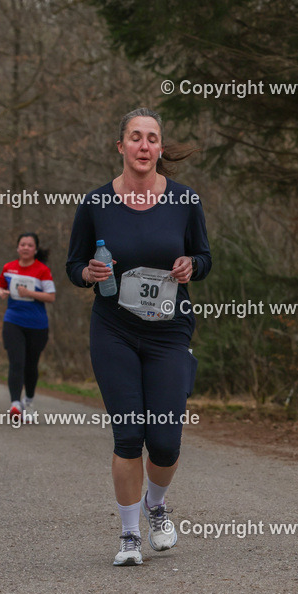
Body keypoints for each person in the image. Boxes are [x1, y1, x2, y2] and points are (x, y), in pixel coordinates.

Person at [66, 108, 210, 566]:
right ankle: (129, 537)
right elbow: (73, 266)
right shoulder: (95, 204)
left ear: (160, 148)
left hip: (169, 330)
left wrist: (192, 266)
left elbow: (204, 256)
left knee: (165, 440)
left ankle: (156, 506)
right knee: (128, 433)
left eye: (152, 138)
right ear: (121, 146)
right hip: (115, 329)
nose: (144, 146)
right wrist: (87, 272)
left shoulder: (185, 200)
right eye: (135, 137)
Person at [0, 233, 55, 417]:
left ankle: (28, 401)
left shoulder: (42, 270)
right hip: (13, 320)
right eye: (22, 244)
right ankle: (15, 404)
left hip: (37, 324)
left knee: (30, 365)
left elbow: (51, 297)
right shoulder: (8, 268)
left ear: (35, 249)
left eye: (30, 245)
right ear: (17, 247)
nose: (26, 247)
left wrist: (29, 293)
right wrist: (2, 292)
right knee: (16, 362)